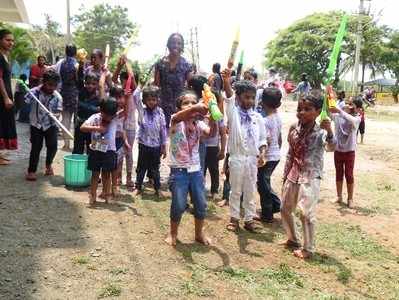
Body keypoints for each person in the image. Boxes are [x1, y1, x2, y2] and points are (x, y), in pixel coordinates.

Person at [281, 91, 336, 259]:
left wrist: (330, 131)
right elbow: (290, 153)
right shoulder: (293, 128)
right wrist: (285, 176)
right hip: (294, 173)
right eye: (300, 108)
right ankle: (292, 239)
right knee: (284, 208)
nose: (302, 112)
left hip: (311, 176)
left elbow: (332, 147)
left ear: (318, 111)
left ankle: (308, 248)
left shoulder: (321, 132)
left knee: (306, 213)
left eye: (307, 109)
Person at [165, 90, 215, 247]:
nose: (191, 105)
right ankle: (173, 234)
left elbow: (210, 133)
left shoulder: (198, 124)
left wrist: (213, 115)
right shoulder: (175, 120)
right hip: (178, 171)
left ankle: (199, 234)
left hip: (196, 171)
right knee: (179, 204)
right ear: (179, 107)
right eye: (186, 103)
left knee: (200, 204)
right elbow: (182, 115)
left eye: (193, 102)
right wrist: (197, 107)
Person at [222, 69, 267, 233]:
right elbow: (228, 97)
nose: (250, 100)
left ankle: (249, 219)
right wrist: (227, 81)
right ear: (239, 97)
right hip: (237, 158)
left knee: (250, 189)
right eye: (247, 97)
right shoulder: (233, 114)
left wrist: (262, 154)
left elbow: (262, 139)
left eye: (252, 97)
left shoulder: (258, 118)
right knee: (236, 190)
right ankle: (234, 218)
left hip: (251, 159)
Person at [25, 69, 62, 181]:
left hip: (50, 125)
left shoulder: (57, 97)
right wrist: (29, 95)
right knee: (36, 147)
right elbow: (25, 101)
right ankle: (31, 171)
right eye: (49, 85)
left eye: (54, 85)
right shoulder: (34, 92)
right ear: (43, 82)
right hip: (36, 124)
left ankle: (48, 165)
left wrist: (54, 114)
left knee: (53, 146)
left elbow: (59, 112)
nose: (52, 88)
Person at [80, 99, 118, 205]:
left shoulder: (115, 118)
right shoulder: (95, 117)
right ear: (101, 111)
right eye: (106, 115)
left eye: (111, 116)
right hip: (95, 149)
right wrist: (97, 128)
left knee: (106, 174)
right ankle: (92, 195)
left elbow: (126, 110)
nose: (108, 118)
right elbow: (82, 127)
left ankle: (107, 195)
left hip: (109, 151)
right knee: (95, 174)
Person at [133, 85, 167, 197]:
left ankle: (157, 189)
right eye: (149, 100)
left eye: (154, 99)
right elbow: (135, 96)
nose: (152, 102)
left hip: (156, 146)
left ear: (157, 100)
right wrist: (140, 86)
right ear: (144, 101)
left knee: (155, 169)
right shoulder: (142, 111)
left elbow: (163, 129)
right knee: (141, 167)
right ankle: (138, 187)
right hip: (143, 144)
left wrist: (163, 146)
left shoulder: (160, 112)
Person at [154, 33, 193, 127]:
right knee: (163, 139)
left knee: (177, 138)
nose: (176, 45)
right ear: (168, 45)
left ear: (182, 46)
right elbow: (156, 86)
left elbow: (190, 87)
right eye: (173, 42)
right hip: (162, 108)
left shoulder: (187, 65)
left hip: (179, 110)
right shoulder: (160, 63)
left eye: (179, 43)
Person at [256, 87, 282, 223]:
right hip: (275, 156)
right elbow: (279, 138)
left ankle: (267, 213)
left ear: (262, 102)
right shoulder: (277, 117)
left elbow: (267, 140)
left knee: (262, 184)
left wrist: (261, 156)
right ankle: (276, 205)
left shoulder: (265, 121)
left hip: (267, 157)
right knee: (264, 182)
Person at [330, 98, 362, 208]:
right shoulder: (338, 117)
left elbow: (352, 120)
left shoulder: (357, 118)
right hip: (338, 150)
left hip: (349, 152)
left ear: (357, 109)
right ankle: (339, 196)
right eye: (347, 104)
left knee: (349, 175)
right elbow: (329, 110)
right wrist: (328, 94)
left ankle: (350, 198)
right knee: (339, 173)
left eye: (351, 104)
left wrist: (339, 111)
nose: (348, 106)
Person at [112, 55, 138, 187]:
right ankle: (117, 177)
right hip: (119, 127)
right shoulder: (118, 93)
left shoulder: (133, 93)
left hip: (131, 127)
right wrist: (119, 65)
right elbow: (113, 79)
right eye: (122, 81)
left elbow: (132, 77)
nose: (124, 83)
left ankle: (128, 177)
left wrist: (127, 62)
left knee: (128, 152)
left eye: (125, 81)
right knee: (119, 152)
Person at [109, 86, 131, 197]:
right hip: (109, 141)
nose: (119, 100)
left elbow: (123, 130)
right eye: (116, 97)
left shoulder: (122, 112)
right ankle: (107, 187)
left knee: (117, 165)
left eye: (121, 97)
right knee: (109, 165)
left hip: (118, 141)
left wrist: (126, 142)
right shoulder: (109, 111)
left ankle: (115, 186)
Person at [72, 72, 101, 154]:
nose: (90, 86)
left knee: (92, 151)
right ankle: (76, 166)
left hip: (93, 128)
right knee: (77, 149)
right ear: (84, 83)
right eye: (88, 83)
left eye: (93, 84)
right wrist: (95, 109)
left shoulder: (99, 96)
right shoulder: (82, 92)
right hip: (80, 125)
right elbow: (79, 105)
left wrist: (93, 109)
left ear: (97, 84)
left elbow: (101, 110)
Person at [0, 29, 17, 165]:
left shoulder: (5, 56)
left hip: (5, 94)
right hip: (1, 96)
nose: (11, 43)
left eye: (12, 40)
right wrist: (6, 97)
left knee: (4, 123)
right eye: (8, 40)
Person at [60, 45, 79, 150]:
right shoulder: (76, 65)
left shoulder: (62, 63)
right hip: (75, 93)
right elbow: (78, 79)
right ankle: (77, 143)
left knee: (65, 119)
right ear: (75, 53)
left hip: (64, 92)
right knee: (76, 119)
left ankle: (66, 144)